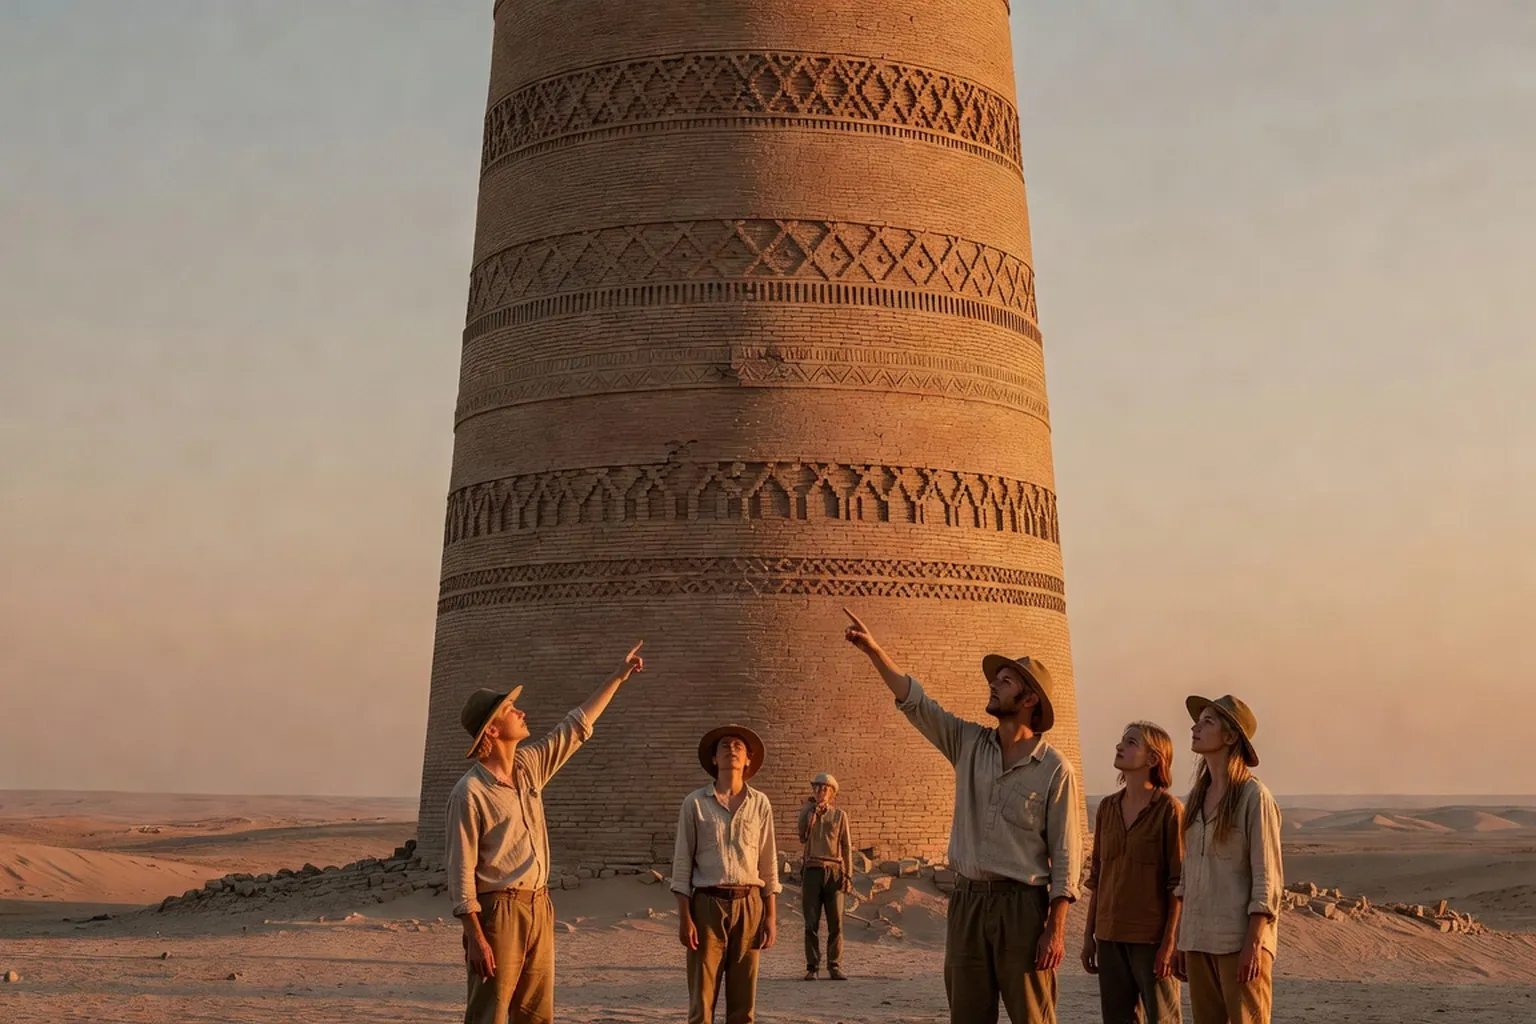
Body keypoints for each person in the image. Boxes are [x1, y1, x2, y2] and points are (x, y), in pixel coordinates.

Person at [843, 609, 1084, 1024]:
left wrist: (1055, 927)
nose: (993, 685)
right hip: (967, 903)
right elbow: (917, 704)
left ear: (1029, 700)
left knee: (1033, 1016)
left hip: (1022, 907)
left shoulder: (1054, 769)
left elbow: (1066, 857)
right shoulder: (969, 744)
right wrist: (875, 652)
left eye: (1005, 681)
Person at [446, 642, 646, 1024]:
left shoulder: (529, 766)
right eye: (510, 709)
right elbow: (460, 872)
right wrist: (475, 934)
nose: (521, 711)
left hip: (539, 904)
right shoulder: (469, 793)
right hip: (497, 912)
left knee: (536, 1015)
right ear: (492, 729)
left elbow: (576, 727)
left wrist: (618, 677)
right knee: (491, 1013)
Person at [1174, 695, 1283, 1024]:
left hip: (1239, 942)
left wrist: (1254, 942)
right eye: (1198, 720)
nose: (1195, 727)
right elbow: (1188, 874)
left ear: (1231, 737)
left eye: (1207, 722)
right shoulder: (1195, 798)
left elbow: (1267, 878)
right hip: (1199, 939)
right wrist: (1183, 937)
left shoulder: (1254, 797)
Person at [671, 724, 781, 1024]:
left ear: (747, 760)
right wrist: (685, 917)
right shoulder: (694, 803)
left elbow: (768, 863)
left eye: (738, 746)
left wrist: (770, 916)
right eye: (724, 746)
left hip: (750, 904)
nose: (731, 750)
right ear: (714, 759)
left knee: (743, 1005)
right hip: (707, 904)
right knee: (701, 1002)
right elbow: (682, 865)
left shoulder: (760, 804)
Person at [1081, 722, 1184, 1023]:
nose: (1119, 747)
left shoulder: (1169, 811)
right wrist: (1089, 937)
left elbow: (1177, 884)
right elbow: (1097, 877)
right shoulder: (1106, 808)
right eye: (1122, 741)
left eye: (1131, 743)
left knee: (1163, 1018)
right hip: (1109, 937)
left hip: (1151, 940)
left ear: (1153, 760)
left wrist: (1169, 944)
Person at [797, 771, 853, 981]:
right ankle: (812, 966)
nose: (821, 791)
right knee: (810, 922)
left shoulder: (839, 815)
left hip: (834, 871)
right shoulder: (808, 812)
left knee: (835, 922)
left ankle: (834, 965)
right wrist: (807, 811)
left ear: (832, 793)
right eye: (817, 788)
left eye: (825, 789)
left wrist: (848, 875)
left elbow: (846, 846)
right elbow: (801, 835)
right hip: (812, 869)